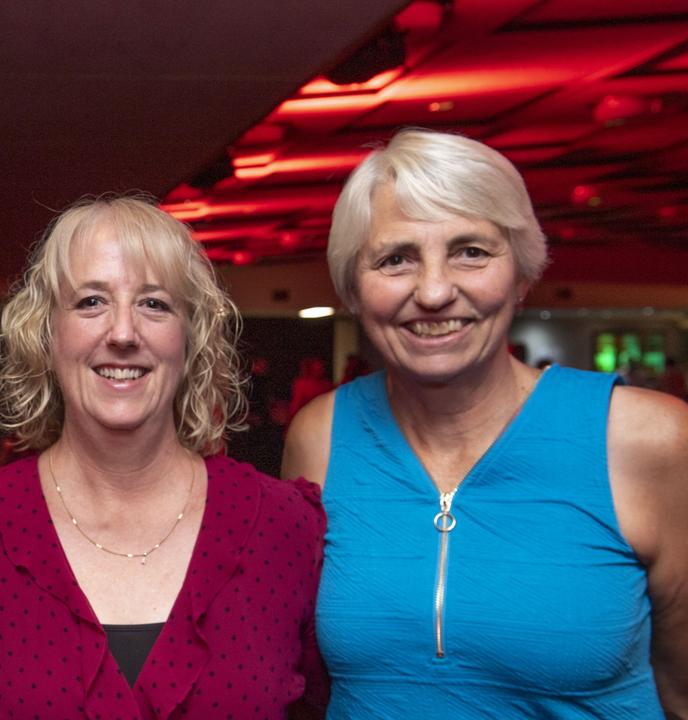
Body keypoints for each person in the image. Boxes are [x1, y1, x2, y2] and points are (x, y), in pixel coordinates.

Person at [283, 129, 688, 718]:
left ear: (523, 273)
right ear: (353, 287)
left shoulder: (648, 439)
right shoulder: (319, 437)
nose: (435, 291)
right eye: (396, 259)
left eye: (471, 251)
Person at [0, 195, 328, 719]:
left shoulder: (284, 526)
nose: (124, 333)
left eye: (154, 304)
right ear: (46, 334)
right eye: (91, 302)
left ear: (190, 338)